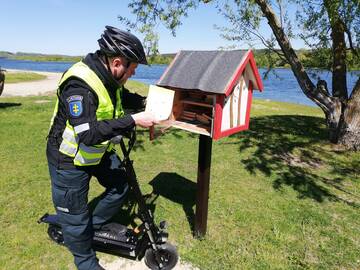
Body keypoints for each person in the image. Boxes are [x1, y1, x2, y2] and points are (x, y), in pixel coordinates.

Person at [46, 26, 157, 270]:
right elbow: (87, 134)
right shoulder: (79, 86)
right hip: (67, 159)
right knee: (75, 222)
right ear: (117, 62)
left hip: (97, 152)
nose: (131, 75)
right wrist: (133, 120)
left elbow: (122, 97)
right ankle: (87, 261)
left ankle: (93, 225)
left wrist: (148, 104)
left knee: (121, 184)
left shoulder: (108, 77)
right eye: (132, 70)